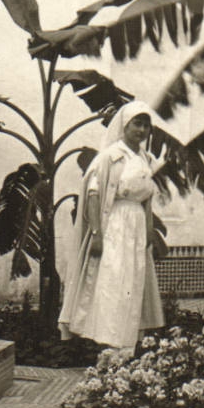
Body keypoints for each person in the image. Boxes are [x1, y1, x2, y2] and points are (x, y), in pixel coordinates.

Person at [58, 100, 166, 350]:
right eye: (137, 124)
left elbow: (147, 197)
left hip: (136, 226)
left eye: (146, 125)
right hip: (114, 225)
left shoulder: (145, 159)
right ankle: (110, 344)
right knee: (112, 282)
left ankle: (127, 345)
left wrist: (148, 227)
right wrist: (97, 233)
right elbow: (94, 195)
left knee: (133, 282)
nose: (141, 130)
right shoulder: (109, 157)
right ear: (125, 125)